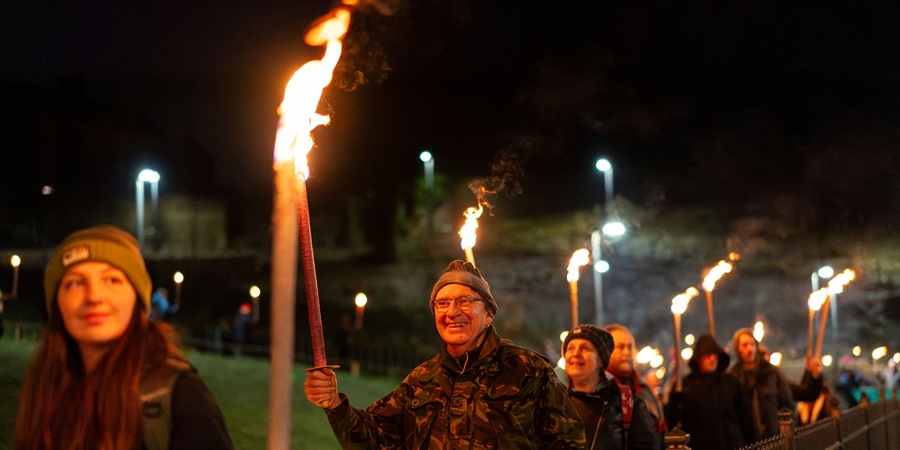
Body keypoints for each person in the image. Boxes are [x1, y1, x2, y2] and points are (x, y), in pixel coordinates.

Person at [304, 259, 586, 449]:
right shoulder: (422, 380)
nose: (452, 312)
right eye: (442, 303)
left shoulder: (529, 370)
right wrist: (334, 404)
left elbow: (569, 442)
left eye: (465, 301)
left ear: (488, 314)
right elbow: (374, 439)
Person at [15, 225, 233, 450]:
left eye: (112, 280)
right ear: (57, 305)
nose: (94, 296)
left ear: (137, 299)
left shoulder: (177, 396)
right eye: (75, 283)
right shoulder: (43, 389)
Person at [564, 324, 658, 450]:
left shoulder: (627, 404)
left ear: (600, 361)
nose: (575, 353)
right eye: (570, 348)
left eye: (585, 348)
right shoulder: (555, 402)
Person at [729, 327, 823, 441]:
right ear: (737, 349)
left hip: (773, 439)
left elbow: (793, 400)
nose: (749, 348)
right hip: (747, 442)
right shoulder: (733, 377)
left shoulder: (771, 373)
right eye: (744, 345)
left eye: (752, 344)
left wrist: (814, 375)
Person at [665, 334, 750, 450]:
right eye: (708, 355)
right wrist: (675, 401)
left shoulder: (730, 382)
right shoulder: (686, 385)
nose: (712, 358)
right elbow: (673, 421)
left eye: (715, 354)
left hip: (730, 444)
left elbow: (744, 416)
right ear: (699, 358)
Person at [603, 323, 667, 444]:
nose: (626, 352)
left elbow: (660, 432)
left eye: (630, 347)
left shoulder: (644, 390)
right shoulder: (598, 391)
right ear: (605, 351)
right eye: (620, 347)